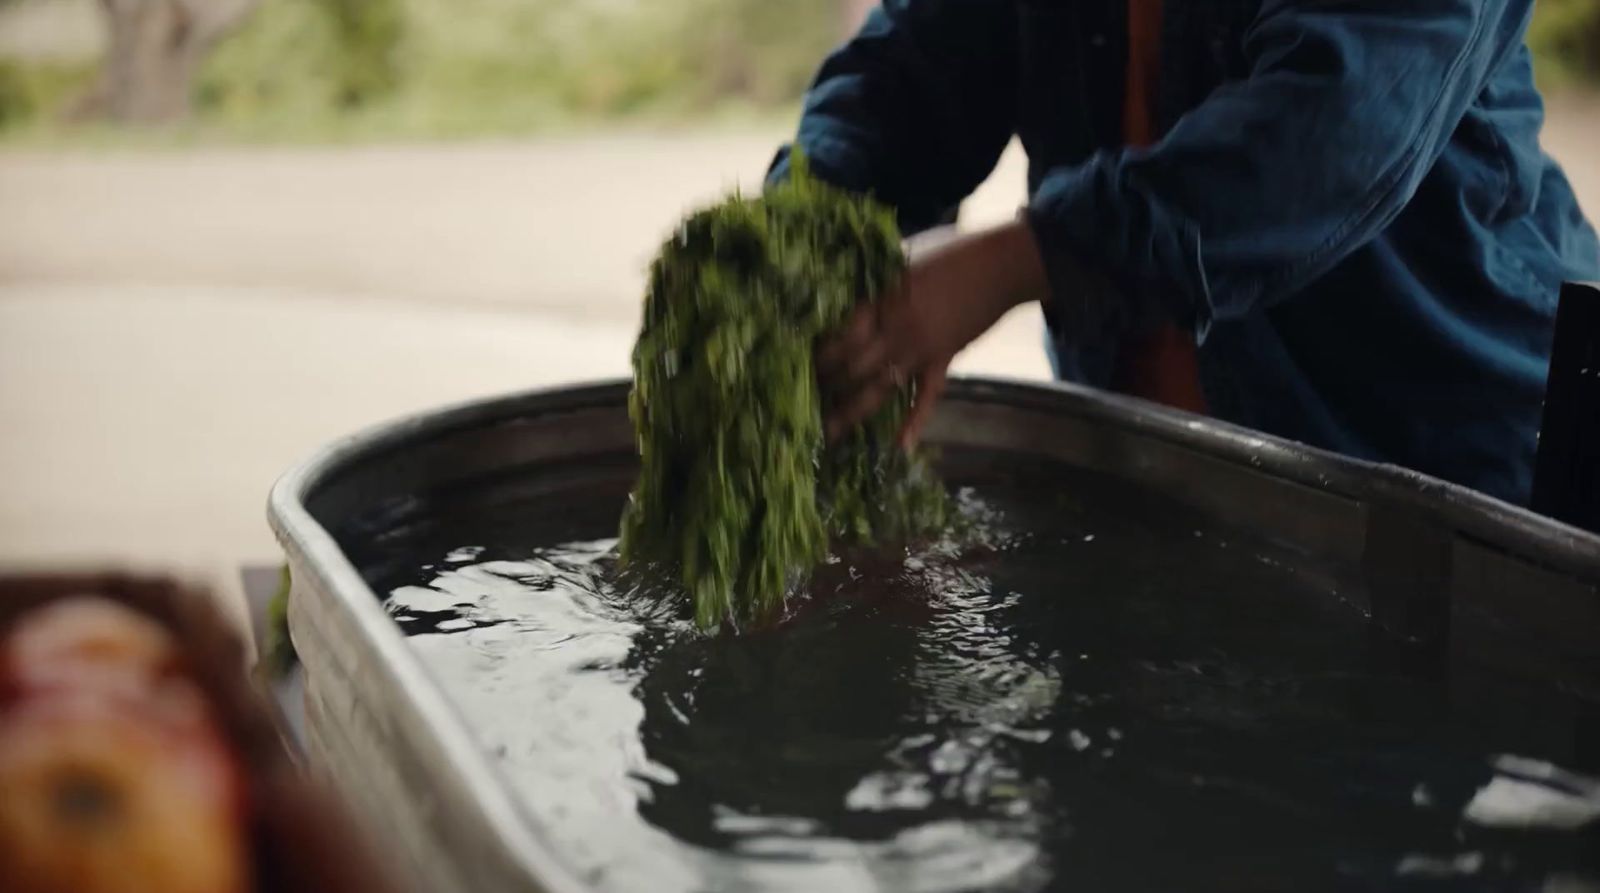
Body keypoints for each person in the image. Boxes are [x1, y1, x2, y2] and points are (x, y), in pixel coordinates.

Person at [780, 0, 1600, 505]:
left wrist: (1010, 265)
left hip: (1463, 471)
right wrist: (793, 239)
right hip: (1162, 475)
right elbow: (907, 81)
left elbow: (1326, 130)